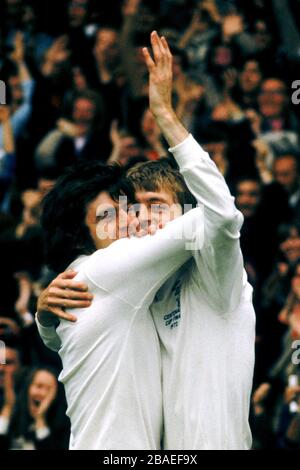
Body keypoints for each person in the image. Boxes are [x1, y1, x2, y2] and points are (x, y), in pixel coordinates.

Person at [36, 32, 255, 450]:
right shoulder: (133, 278)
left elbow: (223, 217)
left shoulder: (216, 267)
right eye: (129, 209)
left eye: (155, 205)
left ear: (186, 210)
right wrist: (44, 312)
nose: (138, 219)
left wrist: (166, 116)